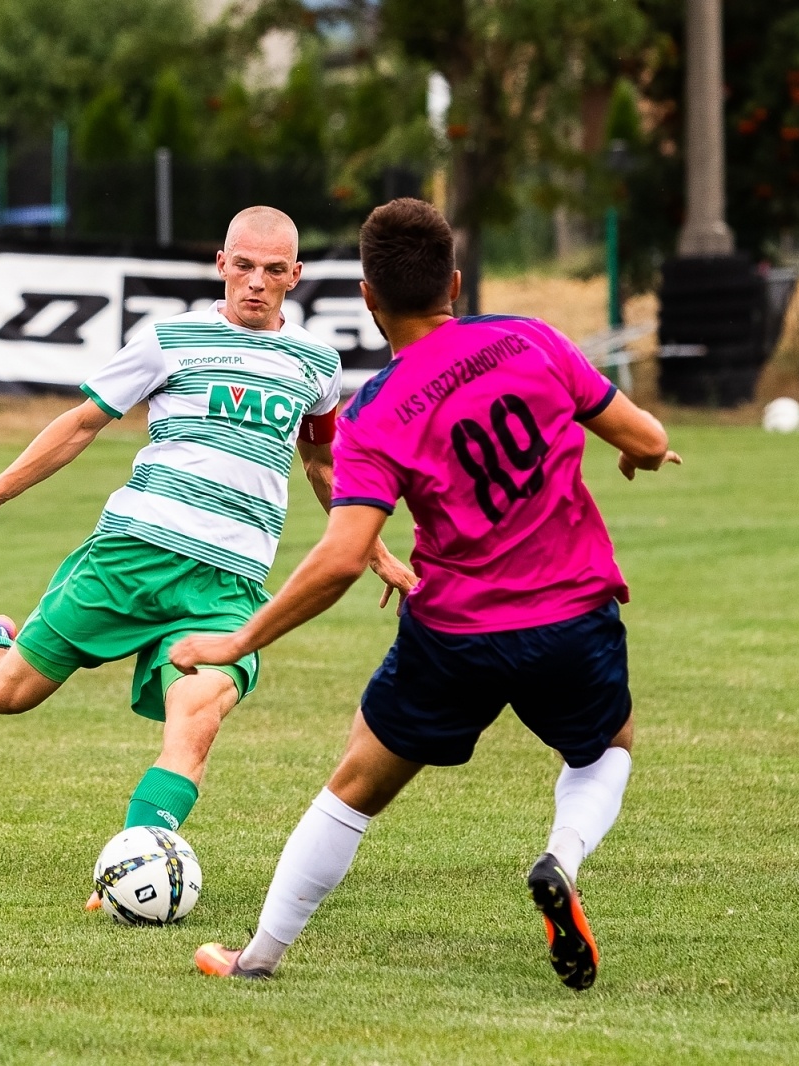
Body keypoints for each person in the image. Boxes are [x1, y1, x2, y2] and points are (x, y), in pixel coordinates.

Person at [174, 198, 681, 991]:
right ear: (453, 282)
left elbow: (343, 556)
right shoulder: (531, 339)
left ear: (369, 300)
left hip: (455, 635)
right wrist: (638, 458)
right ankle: (562, 856)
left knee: (354, 789)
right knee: (603, 752)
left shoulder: (374, 413)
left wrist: (241, 640)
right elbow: (648, 437)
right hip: (572, 617)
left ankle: (258, 957)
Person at [0, 207, 417, 907]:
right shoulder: (167, 340)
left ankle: (132, 863)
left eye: (274, 271)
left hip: (229, 586)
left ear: (295, 277)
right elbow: (81, 423)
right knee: (7, 696)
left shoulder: (318, 365)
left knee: (198, 716)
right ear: (222, 263)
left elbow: (323, 466)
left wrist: (375, 551)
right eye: (244, 266)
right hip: (129, 556)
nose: (256, 282)